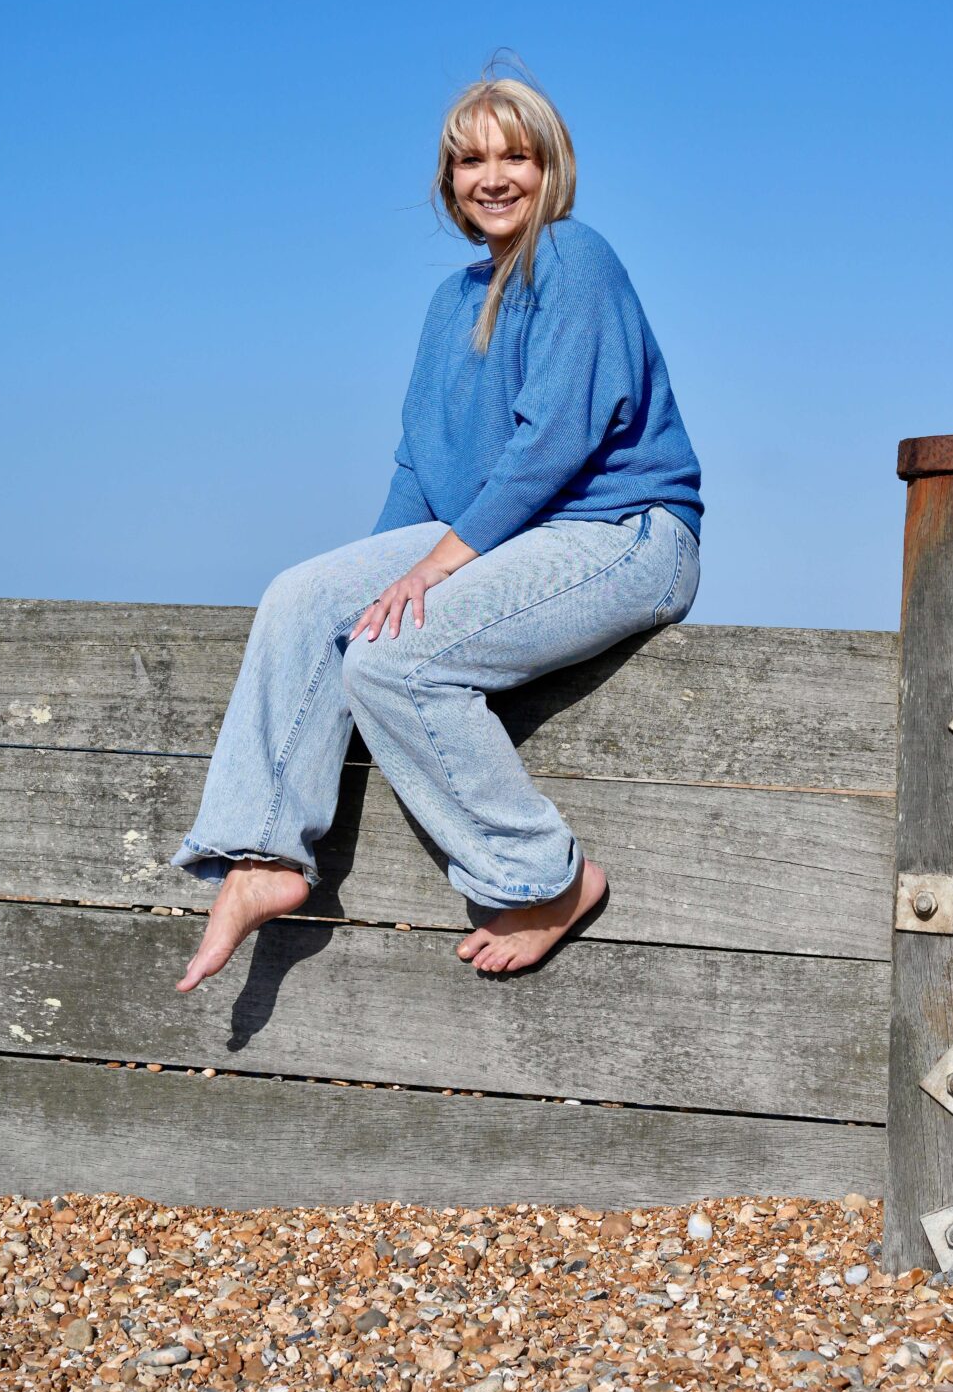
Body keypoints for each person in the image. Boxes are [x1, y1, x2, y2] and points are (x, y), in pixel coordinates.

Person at [172, 73, 703, 987]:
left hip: (621, 532)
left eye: (513, 156)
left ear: (551, 168)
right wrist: (375, 581)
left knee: (397, 661)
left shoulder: (575, 258)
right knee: (304, 596)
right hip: (510, 537)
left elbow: (554, 445)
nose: (490, 177)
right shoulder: (448, 303)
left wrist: (432, 573)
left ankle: (547, 880)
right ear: (448, 179)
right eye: (469, 159)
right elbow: (419, 467)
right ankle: (259, 856)